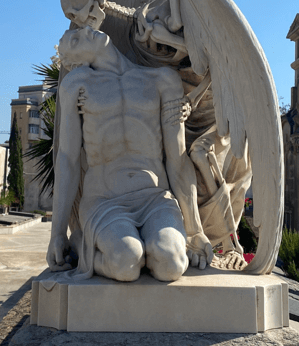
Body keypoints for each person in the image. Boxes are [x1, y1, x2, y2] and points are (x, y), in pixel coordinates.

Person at [46, 24, 214, 282]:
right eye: (75, 40)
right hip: (104, 200)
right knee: (126, 262)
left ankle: (138, 248)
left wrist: (194, 230)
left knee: (171, 264)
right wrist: (57, 234)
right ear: (76, 62)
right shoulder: (77, 85)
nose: (84, 32)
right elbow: (67, 159)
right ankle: (82, 246)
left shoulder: (162, 79)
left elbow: (177, 158)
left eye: (80, 30)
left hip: (155, 197)